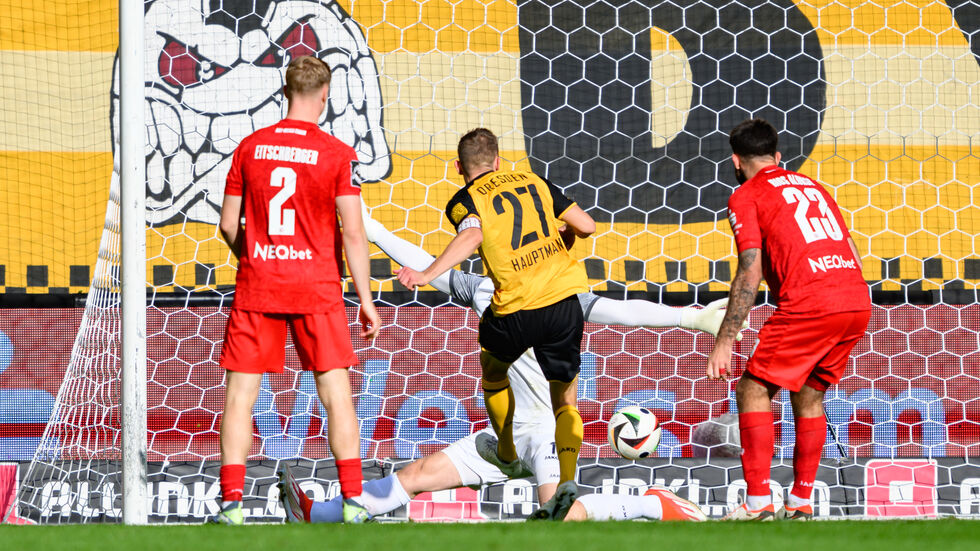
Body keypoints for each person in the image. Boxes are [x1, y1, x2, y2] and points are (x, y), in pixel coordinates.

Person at [277, 201, 743, 523]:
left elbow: (624, 312)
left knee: (562, 521)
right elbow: (425, 264)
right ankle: (315, 514)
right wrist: (370, 227)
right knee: (416, 476)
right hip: (504, 435)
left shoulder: (559, 296)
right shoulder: (483, 289)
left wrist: (692, 318)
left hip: (546, 434)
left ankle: (651, 504)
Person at [393, 128, 598, 520]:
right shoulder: (535, 181)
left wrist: (426, 273)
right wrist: (566, 235)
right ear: (499, 161)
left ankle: (505, 450)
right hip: (564, 301)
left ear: (459, 167)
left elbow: (472, 234)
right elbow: (586, 226)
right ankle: (567, 480)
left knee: (492, 370)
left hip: (516, 307)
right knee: (565, 401)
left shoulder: (466, 198)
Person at [213, 55, 380, 525]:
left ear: (285, 92)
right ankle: (353, 503)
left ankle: (232, 506)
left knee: (240, 397)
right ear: (325, 96)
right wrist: (366, 300)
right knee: (336, 395)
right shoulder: (337, 153)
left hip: (259, 285)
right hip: (317, 287)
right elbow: (353, 233)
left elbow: (227, 224)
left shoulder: (250, 147)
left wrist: (257, 256)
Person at [707, 118, 871, 521]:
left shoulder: (745, 195)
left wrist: (724, 340)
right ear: (777, 156)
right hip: (855, 299)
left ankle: (757, 503)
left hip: (811, 303)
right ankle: (799, 503)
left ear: (736, 161)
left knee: (752, 389)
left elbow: (750, 269)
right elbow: (852, 251)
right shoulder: (814, 187)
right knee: (810, 394)